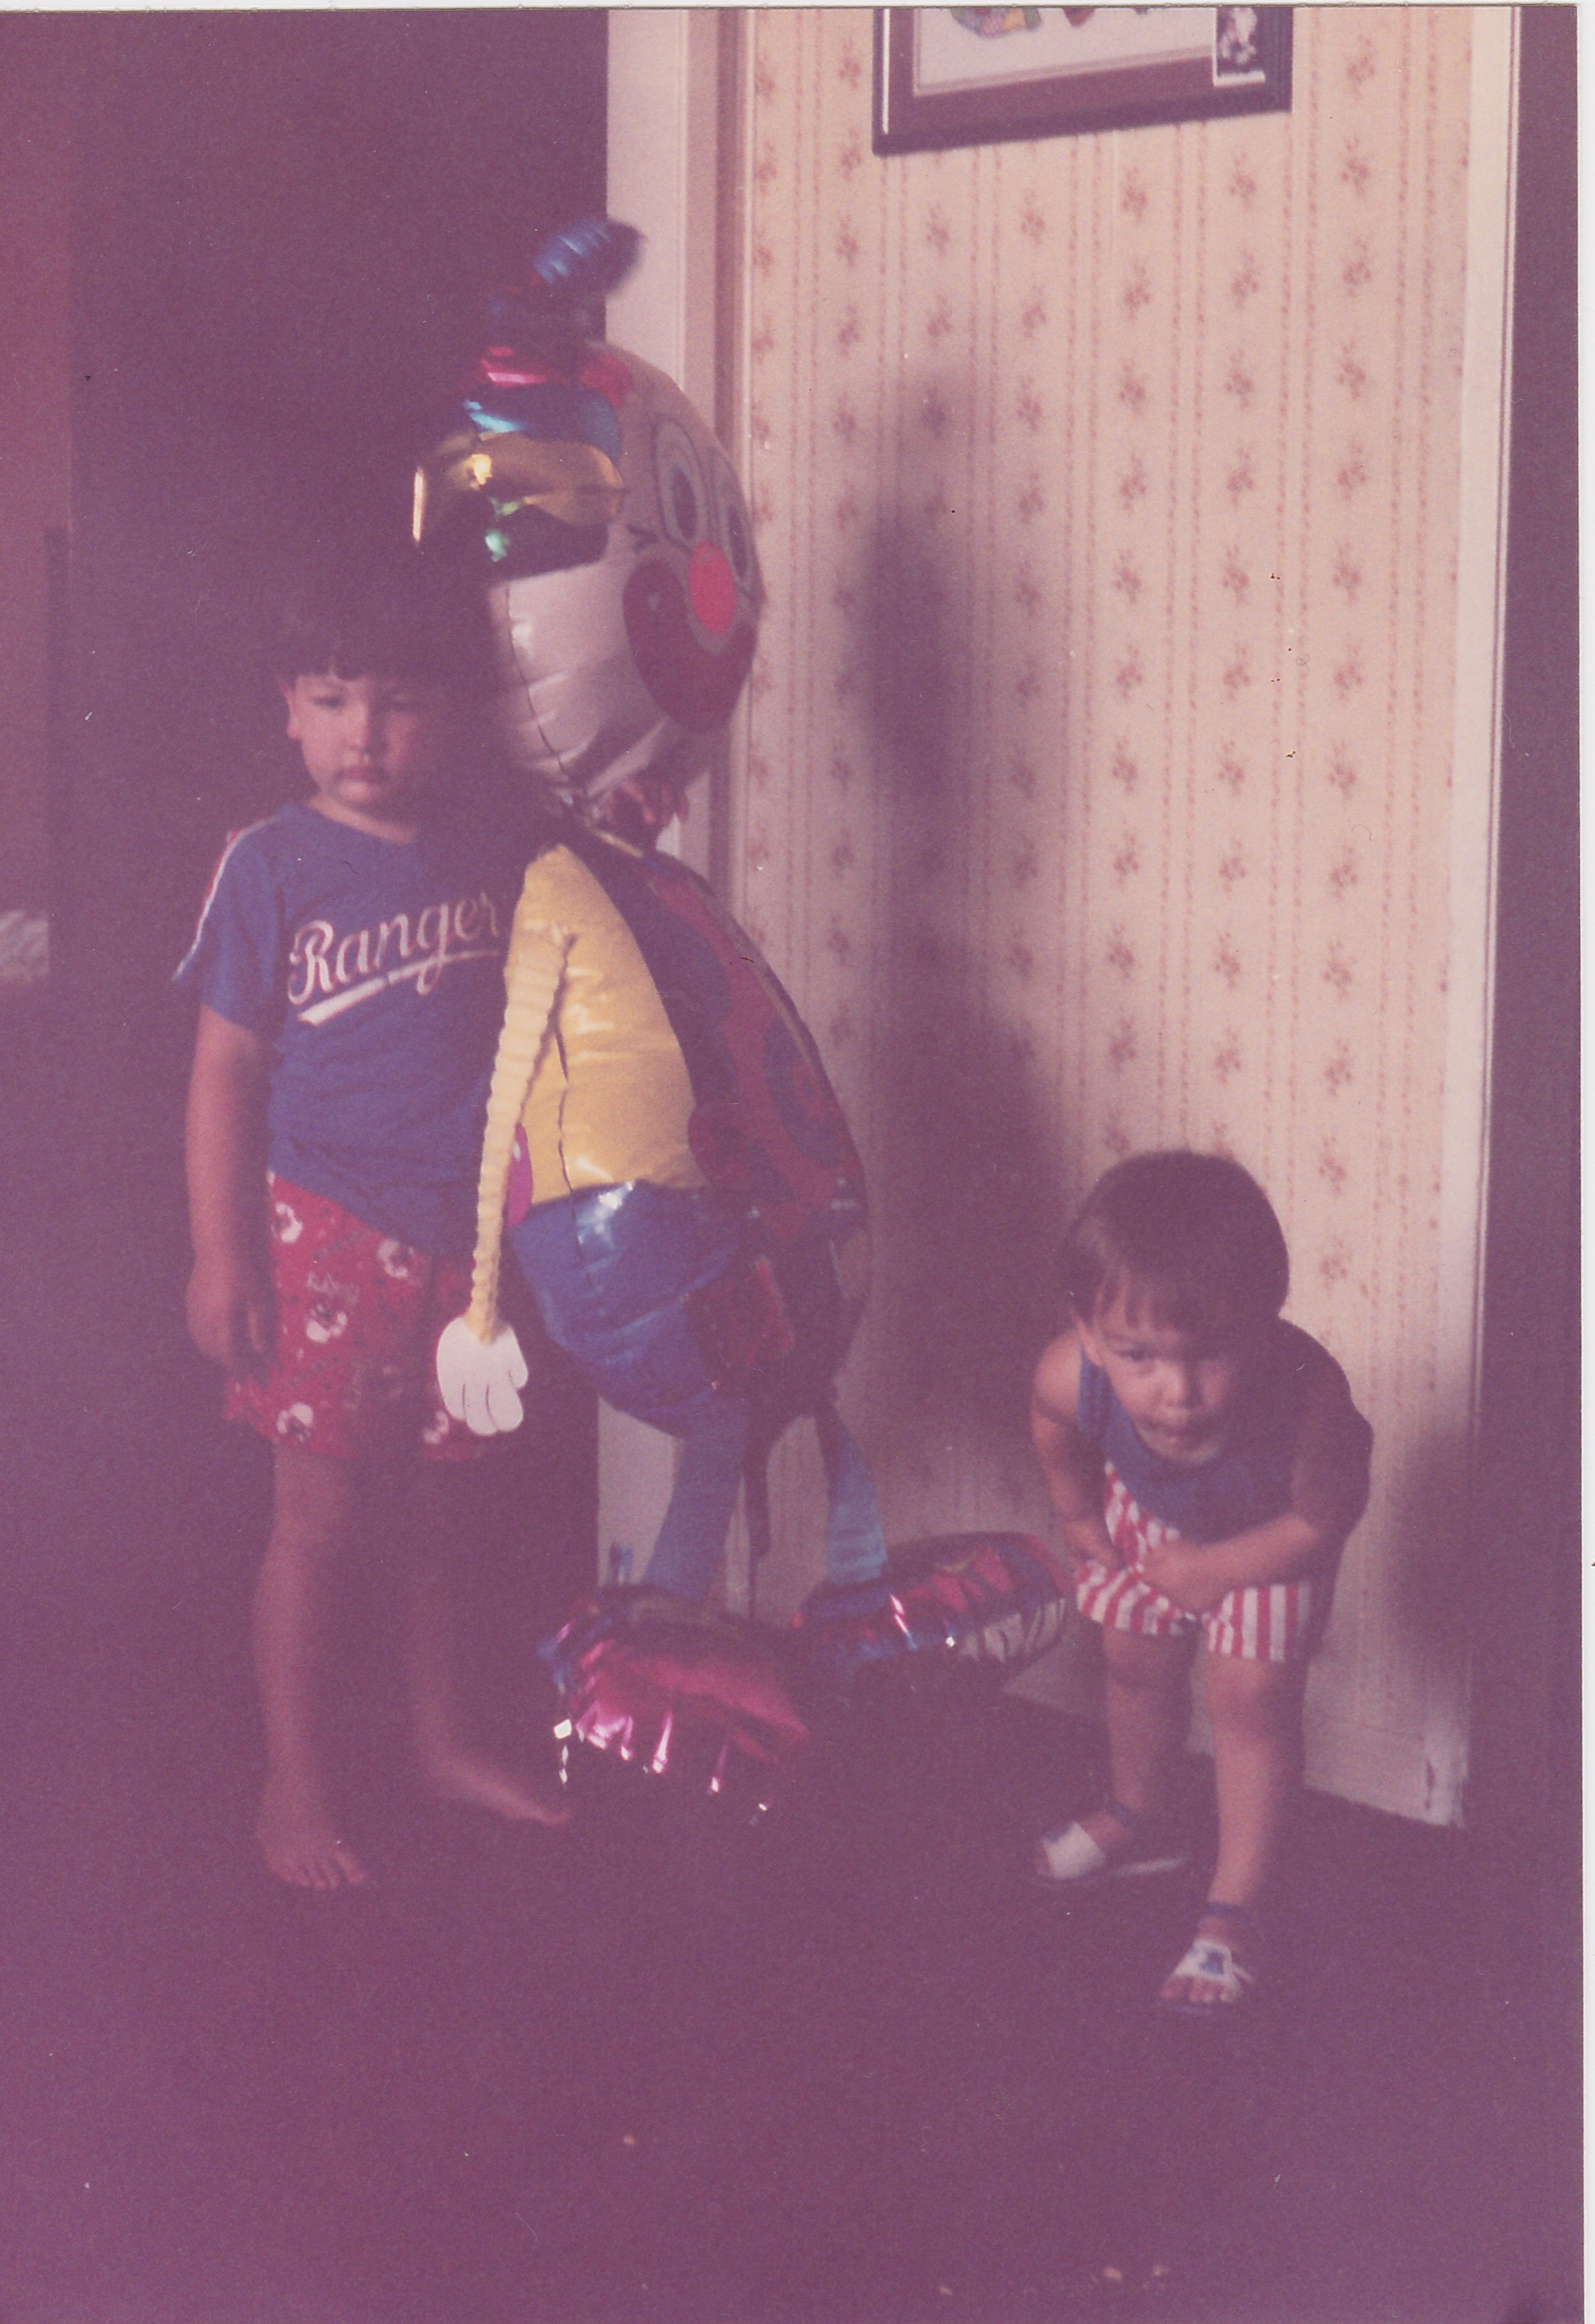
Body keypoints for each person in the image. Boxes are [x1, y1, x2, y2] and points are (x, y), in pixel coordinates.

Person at [177, 548, 568, 1891]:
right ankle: (292, 1784)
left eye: (399, 702)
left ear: (450, 713)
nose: (365, 734)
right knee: (321, 1524)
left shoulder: (493, 847)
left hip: (471, 1240)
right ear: (289, 706)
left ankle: (439, 1742)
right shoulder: (268, 864)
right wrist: (220, 1254)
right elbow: (224, 1070)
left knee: (449, 1515)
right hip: (325, 1230)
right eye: (335, 699)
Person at [1029, 1151, 1371, 2013]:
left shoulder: (1309, 1398)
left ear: (1265, 1325)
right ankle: (1138, 1815)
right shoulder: (1069, 1371)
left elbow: (1325, 1518)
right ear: (1090, 1332)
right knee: (1131, 1662)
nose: (1177, 1392)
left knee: (1247, 1700)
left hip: (1268, 1539)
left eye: (1212, 1353)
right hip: (1151, 1521)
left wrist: (1214, 1571)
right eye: (1138, 1356)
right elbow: (1052, 1424)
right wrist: (1078, 1515)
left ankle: (1235, 1906)